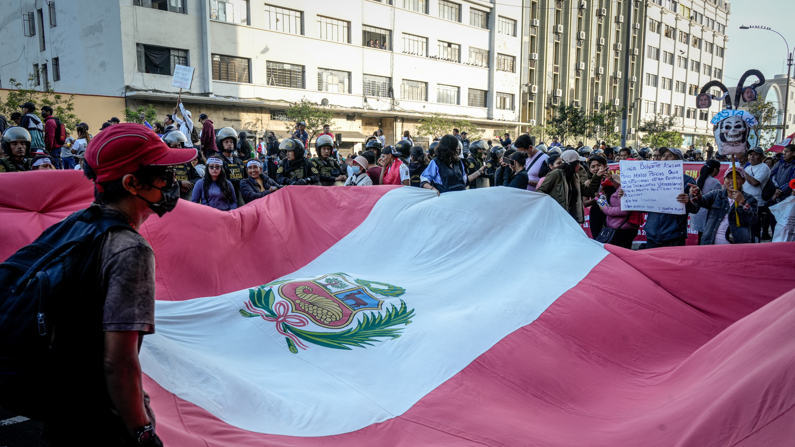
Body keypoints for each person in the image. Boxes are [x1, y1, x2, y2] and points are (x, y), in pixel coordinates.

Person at [37, 123, 195, 445]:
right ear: (132, 183)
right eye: (164, 175)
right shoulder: (130, 249)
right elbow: (118, 362)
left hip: (63, 411)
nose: (173, 183)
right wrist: (142, 432)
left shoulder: (76, 224)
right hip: (100, 420)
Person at [636, 147, 698, 248]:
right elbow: (640, 209)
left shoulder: (688, 181)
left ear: (679, 160)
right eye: (663, 155)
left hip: (674, 236)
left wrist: (688, 202)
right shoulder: (651, 179)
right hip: (652, 235)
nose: (664, 159)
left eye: (669, 156)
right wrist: (628, 197)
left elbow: (695, 209)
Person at [689, 167, 758, 245]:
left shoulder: (750, 199)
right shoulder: (716, 194)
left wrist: (742, 202)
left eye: (737, 178)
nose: (732, 181)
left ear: (743, 181)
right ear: (724, 180)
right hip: (710, 244)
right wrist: (695, 194)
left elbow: (751, 220)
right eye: (729, 178)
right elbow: (700, 202)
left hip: (737, 246)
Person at [537, 150, 605, 224]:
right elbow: (539, 192)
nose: (580, 166)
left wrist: (597, 177)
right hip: (557, 217)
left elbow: (588, 192)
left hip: (572, 218)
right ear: (573, 165)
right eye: (578, 163)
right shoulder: (556, 174)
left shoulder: (575, 177)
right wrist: (551, 200)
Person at [421, 135, 486, 195]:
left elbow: (464, 181)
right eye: (456, 146)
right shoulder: (436, 162)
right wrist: (433, 189)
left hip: (460, 198)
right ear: (450, 148)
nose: (458, 149)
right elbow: (424, 180)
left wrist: (479, 172)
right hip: (445, 200)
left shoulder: (459, 162)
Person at [596, 174, 640, 249]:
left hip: (622, 229)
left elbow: (623, 211)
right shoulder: (624, 188)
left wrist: (605, 209)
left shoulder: (624, 189)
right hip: (622, 227)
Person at [581, 155, 614, 240]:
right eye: (593, 166)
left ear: (605, 166)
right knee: (598, 239)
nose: (596, 168)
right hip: (597, 214)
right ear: (589, 169)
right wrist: (596, 198)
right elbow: (585, 203)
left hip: (613, 214)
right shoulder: (588, 183)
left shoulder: (613, 179)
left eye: (599, 165)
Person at [163, 130, 202, 200]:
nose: (178, 148)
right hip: (169, 198)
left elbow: (198, 178)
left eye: (179, 145)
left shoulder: (187, 161)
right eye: (175, 146)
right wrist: (180, 184)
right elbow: (162, 181)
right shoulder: (164, 163)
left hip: (186, 197)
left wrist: (189, 184)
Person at [690, 160, 722, 244]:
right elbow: (719, 200)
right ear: (715, 170)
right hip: (707, 215)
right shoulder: (715, 183)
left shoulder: (699, 179)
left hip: (697, 213)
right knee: (707, 240)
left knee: (701, 238)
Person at [743, 147, 771, 241]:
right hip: (744, 201)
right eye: (750, 154)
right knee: (746, 228)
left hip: (756, 203)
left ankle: (755, 247)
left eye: (755, 155)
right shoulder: (748, 167)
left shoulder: (764, 168)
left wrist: (743, 173)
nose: (752, 157)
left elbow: (755, 182)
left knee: (754, 228)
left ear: (762, 156)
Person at [215, 127, 246, 203]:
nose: (229, 144)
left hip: (239, 195)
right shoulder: (216, 162)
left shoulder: (239, 162)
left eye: (231, 142)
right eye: (226, 142)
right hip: (223, 196)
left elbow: (246, 178)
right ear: (220, 143)